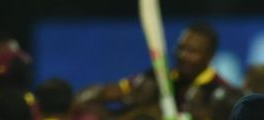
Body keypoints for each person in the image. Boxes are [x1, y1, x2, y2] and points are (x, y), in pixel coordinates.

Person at [77, 23, 228, 113]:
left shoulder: (220, 93)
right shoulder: (156, 78)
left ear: (210, 56)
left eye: (192, 52)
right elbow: (111, 91)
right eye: (181, 48)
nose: (183, 55)